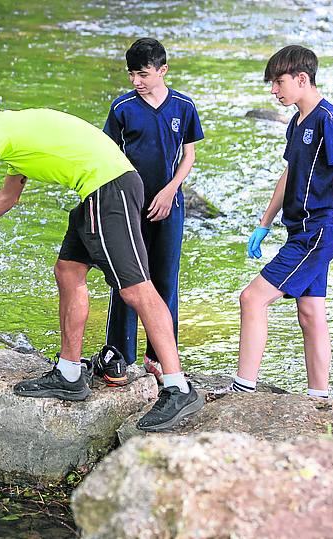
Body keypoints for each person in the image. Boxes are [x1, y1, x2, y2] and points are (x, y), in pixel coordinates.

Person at [0, 87, 204, 432]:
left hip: (108, 190)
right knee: (67, 271)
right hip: (97, 190)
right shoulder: (13, 130)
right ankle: (69, 373)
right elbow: (8, 197)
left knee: (136, 288)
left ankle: (177, 386)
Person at [226, 45, 333, 397]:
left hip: (320, 230)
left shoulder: (328, 120)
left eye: (278, 82)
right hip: (300, 230)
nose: (274, 90)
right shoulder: (297, 121)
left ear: (302, 79)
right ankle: (320, 397)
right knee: (310, 312)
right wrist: (265, 222)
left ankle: (243, 389)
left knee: (252, 299)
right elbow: (290, 173)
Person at [102, 38, 204, 383]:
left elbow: (188, 155)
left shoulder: (184, 107)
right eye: (131, 74)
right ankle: (118, 352)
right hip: (128, 206)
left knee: (165, 281)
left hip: (170, 204)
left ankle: (160, 356)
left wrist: (170, 190)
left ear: (163, 70)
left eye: (143, 74)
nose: (136, 81)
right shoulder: (122, 108)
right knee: (126, 279)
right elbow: (107, 156)